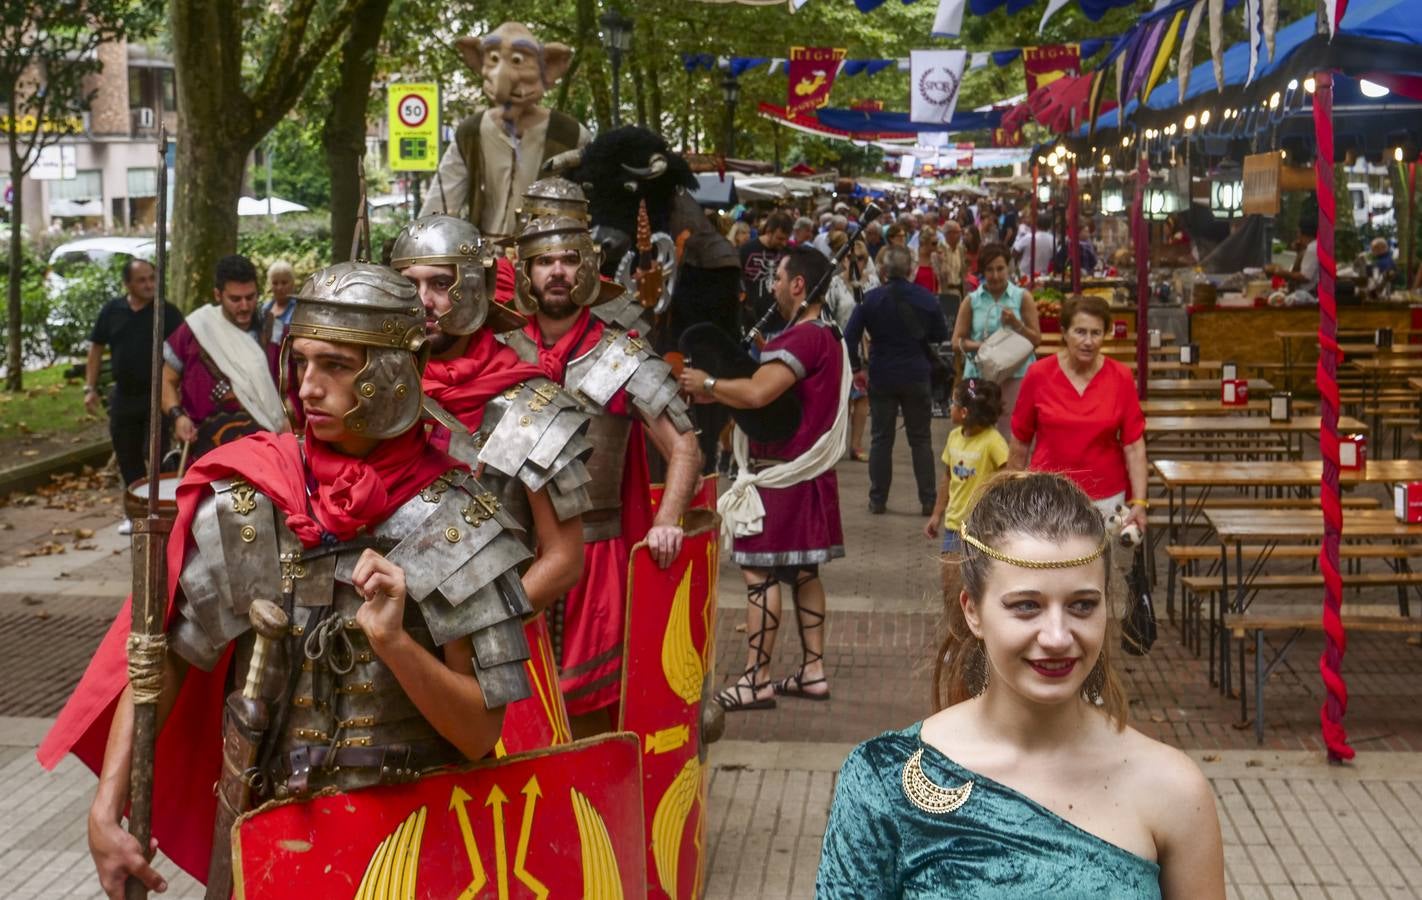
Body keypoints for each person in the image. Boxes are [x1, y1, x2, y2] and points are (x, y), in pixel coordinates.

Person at [44, 262, 538, 897]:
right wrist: (106, 806)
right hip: (278, 835)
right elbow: (164, 660)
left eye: (336, 366)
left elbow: (478, 736)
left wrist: (395, 644)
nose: (309, 386)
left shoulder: (461, 522)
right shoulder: (254, 502)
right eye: (301, 363)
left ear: (392, 374)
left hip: (417, 846)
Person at [819, 472, 1225, 899]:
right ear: (973, 611)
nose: (1056, 636)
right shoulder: (883, 781)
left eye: (1082, 606)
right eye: (1026, 606)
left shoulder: (1174, 789)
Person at [501, 195, 702, 733]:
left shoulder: (620, 354)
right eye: (545, 261)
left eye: (569, 258)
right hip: (511, 557)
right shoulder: (500, 352)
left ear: (587, 268)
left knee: (592, 719)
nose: (558, 271)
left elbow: (684, 446)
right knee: (510, 717)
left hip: (596, 559)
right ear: (527, 272)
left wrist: (668, 521)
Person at [391, 214, 591, 752]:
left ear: (473, 288)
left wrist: (475, 628)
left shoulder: (526, 408)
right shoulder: (380, 399)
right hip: (391, 661)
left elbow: (564, 558)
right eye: (408, 285)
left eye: (439, 283)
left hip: (495, 661)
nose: (423, 300)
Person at [677, 245, 848, 710]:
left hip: (781, 477)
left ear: (798, 285)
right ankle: (812, 671)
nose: (770, 287)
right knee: (803, 572)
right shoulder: (828, 335)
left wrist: (708, 385)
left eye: (778, 279)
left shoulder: (801, 340)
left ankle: (757, 678)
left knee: (759, 574)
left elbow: (757, 394)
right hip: (807, 476)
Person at [1008, 293, 1148, 535]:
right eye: (1080, 332)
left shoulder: (1122, 377)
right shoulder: (1038, 375)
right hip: (1047, 497)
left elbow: (1134, 446)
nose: (1088, 341)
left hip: (1106, 499)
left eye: (1096, 333)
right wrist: (1011, 497)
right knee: (1049, 569)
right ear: (1064, 332)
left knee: (1103, 571)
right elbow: (1020, 442)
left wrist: (1140, 501)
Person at [846, 245, 949, 515]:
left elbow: (850, 335)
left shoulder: (871, 300)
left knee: (881, 439)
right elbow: (940, 334)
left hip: (881, 374)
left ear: (883, 271)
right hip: (917, 374)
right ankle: (928, 500)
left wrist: (857, 367)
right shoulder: (926, 299)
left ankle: (878, 499)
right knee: (921, 439)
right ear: (911, 270)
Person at [84, 258, 184, 534]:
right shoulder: (112, 311)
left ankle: (169, 509)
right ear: (127, 283)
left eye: (152, 278)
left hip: (158, 396)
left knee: (161, 452)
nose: (149, 284)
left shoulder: (166, 312)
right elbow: (95, 349)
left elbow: (184, 350)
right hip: (124, 396)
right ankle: (136, 512)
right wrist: (90, 388)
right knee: (126, 454)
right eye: (142, 280)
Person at [161, 254, 288, 460]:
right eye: (235, 299)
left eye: (251, 297)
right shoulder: (196, 329)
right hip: (207, 452)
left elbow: (294, 390)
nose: (245, 306)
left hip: (267, 452)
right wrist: (178, 417)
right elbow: (166, 379)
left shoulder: (275, 332)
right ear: (218, 295)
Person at [924, 378, 1006, 600]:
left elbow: (1008, 478)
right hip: (954, 525)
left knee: (980, 585)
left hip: (983, 527)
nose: (949, 407)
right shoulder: (953, 438)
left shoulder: (993, 441)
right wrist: (936, 514)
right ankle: (955, 627)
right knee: (950, 582)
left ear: (964, 412)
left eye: (953, 403)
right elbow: (947, 478)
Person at [951, 242, 1042, 438]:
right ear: (982, 271)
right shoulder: (972, 301)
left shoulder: (1022, 297)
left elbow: (1036, 339)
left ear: (1008, 268)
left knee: (1012, 430)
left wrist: (1016, 323)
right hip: (979, 376)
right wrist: (982, 347)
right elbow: (956, 341)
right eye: (989, 270)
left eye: (1000, 269)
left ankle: (1011, 468)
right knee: (976, 426)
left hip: (1016, 375)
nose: (995, 275)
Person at [740, 211, 793, 334]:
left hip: (781, 323)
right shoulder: (746, 250)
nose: (784, 243)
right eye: (780, 238)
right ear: (769, 232)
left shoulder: (788, 252)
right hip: (752, 323)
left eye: (786, 239)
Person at [258, 259, 297, 377]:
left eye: (284, 282)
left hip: (289, 368)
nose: (279, 287)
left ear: (292, 283)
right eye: (275, 283)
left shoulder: (299, 308)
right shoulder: (265, 308)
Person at [1012, 210, 1054, 279]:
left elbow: (1014, 252)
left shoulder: (1029, 237)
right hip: (1044, 276)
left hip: (1025, 275)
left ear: (1036, 223)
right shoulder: (1053, 239)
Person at [914, 226, 942, 294]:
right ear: (923, 243)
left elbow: (940, 282)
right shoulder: (912, 257)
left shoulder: (936, 257)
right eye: (934, 243)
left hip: (932, 299)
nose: (936, 246)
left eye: (937, 242)